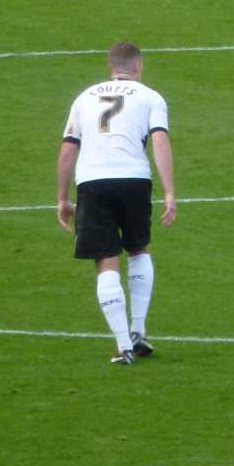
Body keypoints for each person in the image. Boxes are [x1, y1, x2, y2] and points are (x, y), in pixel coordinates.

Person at [56, 41, 176, 366]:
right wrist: (169, 192)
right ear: (138, 65)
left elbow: (68, 148)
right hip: (135, 179)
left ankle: (123, 346)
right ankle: (138, 331)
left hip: (93, 182)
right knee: (139, 248)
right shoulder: (152, 97)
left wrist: (63, 198)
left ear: (111, 66)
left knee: (106, 260)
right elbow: (160, 140)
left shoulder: (84, 98)